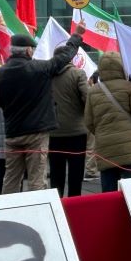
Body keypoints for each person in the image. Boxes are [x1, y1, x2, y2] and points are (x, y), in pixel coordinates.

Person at [0, 25, 85, 193]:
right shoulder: (39, 68)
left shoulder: (0, 73)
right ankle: (39, 213)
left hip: (12, 133)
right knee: (37, 179)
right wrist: (76, 36)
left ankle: (8, 211)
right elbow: (64, 57)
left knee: (11, 178)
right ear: (28, 51)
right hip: (36, 133)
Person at [84, 52, 131, 192]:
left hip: (106, 149)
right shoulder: (129, 87)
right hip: (130, 148)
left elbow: (88, 121)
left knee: (109, 193)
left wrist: (102, 132)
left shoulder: (93, 91)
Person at [48, 47, 89, 197]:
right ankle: (74, 205)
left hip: (53, 132)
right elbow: (87, 98)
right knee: (76, 173)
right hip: (76, 131)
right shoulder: (78, 74)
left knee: (55, 173)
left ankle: (57, 204)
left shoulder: (47, 75)